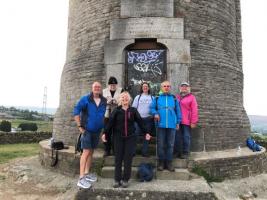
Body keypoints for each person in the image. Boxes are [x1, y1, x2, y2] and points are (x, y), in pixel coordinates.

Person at [102, 91, 151, 188]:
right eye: (123, 98)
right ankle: (117, 179)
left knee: (128, 159)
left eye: (126, 98)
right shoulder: (116, 110)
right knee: (118, 159)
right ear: (120, 100)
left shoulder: (133, 110)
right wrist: (105, 133)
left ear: (129, 100)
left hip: (130, 138)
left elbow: (140, 122)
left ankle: (125, 179)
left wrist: (146, 132)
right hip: (118, 138)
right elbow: (110, 123)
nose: (125, 99)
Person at [73, 81, 107, 189]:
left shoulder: (104, 100)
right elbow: (76, 111)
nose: (97, 88)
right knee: (86, 152)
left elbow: (102, 115)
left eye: (99, 87)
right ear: (92, 88)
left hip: (97, 131)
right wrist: (79, 126)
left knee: (91, 152)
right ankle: (81, 178)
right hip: (87, 130)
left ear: (101, 89)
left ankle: (87, 174)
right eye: (95, 87)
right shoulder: (85, 99)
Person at [150, 81, 181, 172]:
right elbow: (152, 108)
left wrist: (178, 122)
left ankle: (169, 162)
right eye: (164, 86)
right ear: (161, 87)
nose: (166, 87)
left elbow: (178, 111)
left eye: (168, 86)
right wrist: (155, 113)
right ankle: (161, 162)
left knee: (170, 144)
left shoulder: (174, 99)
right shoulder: (157, 98)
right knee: (161, 145)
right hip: (160, 124)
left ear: (170, 87)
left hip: (172, 125)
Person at [174, 82, 198, 159]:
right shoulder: (177, 97)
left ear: (188, 88)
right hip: (178, 121)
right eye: (182, 86)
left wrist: (193, 121)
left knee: (186, 137)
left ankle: (186, 152)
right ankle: (178, 152)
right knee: (177, 137)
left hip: (187, 121)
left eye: (186, 86)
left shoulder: (192, 97)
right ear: (180, 88)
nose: (184, 88)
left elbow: (194, 110)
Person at [102, 76, 123, 157]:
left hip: (117, 115)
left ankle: (115, 150)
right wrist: (108, 102)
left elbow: (123, 100)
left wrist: (116, 102)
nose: (113, 86)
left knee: (116, 133)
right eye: (111, 85)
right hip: (107, 115)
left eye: (114, 85)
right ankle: (107, 150)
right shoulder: (104, 91)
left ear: (116, 85)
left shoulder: (121, 90)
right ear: (109, 85)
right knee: (107, 132)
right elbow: (101, 102)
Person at [132, 82, 154, 157]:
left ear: (148, 88)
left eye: (146, 86)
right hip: (138, 120)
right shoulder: (137, 97)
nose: (145, 87)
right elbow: (134, 109)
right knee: (135, 135)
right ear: (141, 88)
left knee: (146, 136)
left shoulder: (152, 98)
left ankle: (145, 152)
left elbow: (154, 108)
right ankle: (133, 151)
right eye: (143, 86)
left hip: (148, 120)